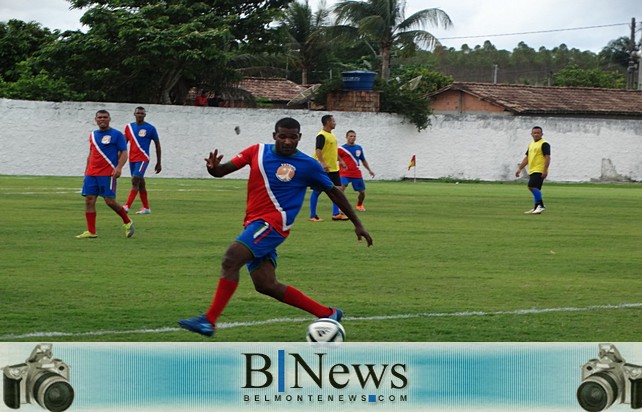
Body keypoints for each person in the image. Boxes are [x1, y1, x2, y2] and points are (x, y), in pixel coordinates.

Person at [178, 117, 373, 337]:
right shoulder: (257, 152)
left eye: (293, 137)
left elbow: (334, 191)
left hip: (273, 224)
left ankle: (209, 321)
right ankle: (328, 313)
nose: (288, 141)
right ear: (274, 136)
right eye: (283, 136)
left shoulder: (308, 164)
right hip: (254, 223)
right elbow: (221, 171)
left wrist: (358, 224)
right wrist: (212, 168)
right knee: (266, 284)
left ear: (299, 138)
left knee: (231, 258)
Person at [76, 110, 134, 238]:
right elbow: (91, 154)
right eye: (100, 117)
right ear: (96, 120)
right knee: (89, 200)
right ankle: (91, 231)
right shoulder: (93, 135)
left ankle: (127, 222)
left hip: (107, 173)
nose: (102, 119)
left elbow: (124, 153)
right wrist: (86, 172)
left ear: (109, 119)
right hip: (92, 173)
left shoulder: (117, 135)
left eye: (105, 117)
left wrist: (119, 168)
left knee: (109, 201)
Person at [122, 107, 162, 214]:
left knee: (135, 180)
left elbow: (157, 145)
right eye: (138, 113)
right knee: (140, 183)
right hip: (132, 159)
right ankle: (146, 208)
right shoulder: (129, 127)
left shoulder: (150, 128)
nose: (140, 115)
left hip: (143, 158)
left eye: (142, 113)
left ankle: (126, 206)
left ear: (145, 115)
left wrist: (159, 162)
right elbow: (123, 144)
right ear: (134, 114)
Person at [308, 114, 348, 222]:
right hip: (322, 168)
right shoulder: (321, 135)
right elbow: (318, 150)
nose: (335, 123)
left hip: (333, 168)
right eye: (333, 121)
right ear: (327, 122)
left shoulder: (332, 135)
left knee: (338, 191)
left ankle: (336, 214)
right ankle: (312, 215)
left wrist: (341, 160)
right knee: (317, 191)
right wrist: (322, 163)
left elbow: (334, 150)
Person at [515, 126, 551, 214]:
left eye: (538, 133)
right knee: (536, 188)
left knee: (531, 186)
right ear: (531, 134)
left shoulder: (544, 144)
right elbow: (527, 157)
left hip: (539, 169)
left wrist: (545, 170)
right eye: (534, 133)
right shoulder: (531, 144)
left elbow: (547, 157)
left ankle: (541, 205)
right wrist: (520, 168)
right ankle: (536, 207)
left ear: (542, 134)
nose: (536, 134)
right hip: (532, 169)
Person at [338, 130, 375, 211]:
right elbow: (336, 157)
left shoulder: (358, 148)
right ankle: (340, 206)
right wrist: (341, 162)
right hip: (344, 173)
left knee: (362, 192)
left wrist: (369, 170)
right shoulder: (341, 149)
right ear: (346, 137)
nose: (352, 138)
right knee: (341, 189)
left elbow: (363, 160)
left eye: (354, 136)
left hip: (356, 173)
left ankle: (359, 205)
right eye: (350, 136)